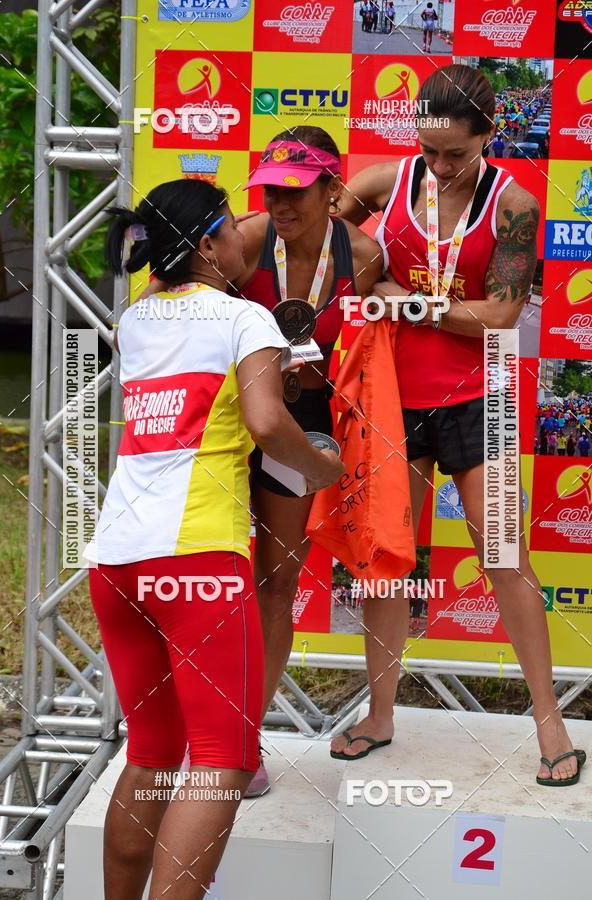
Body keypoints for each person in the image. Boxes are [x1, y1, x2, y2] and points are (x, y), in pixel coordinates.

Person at [86, 179, 344, 898]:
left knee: (153, 754)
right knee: (222, 758)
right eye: (233, 228)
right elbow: (264, 424)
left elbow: (217, 400)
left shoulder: (133, 319)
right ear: (206, 245)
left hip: (116, 564)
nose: (246, 238)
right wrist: (322, 464)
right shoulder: (247, 319)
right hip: (197, 556)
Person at [334, 63, 585, 785]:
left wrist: (397, 299)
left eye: (455, 154)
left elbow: (502, 318)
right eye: (429, 149)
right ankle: (381, 715)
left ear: (488, 137)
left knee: (505, 557)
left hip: (482, 398)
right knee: (388, 564)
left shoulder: (515, 206)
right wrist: (363, 275)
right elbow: (328, 239)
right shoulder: (386, 182)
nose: (439, 166)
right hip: (392, 397)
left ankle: (551, 728)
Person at [235, 126, 383, 796]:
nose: (280, 203)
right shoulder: (240, 239)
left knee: (275, 586)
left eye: (295, 190)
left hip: (305, 427)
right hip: (230, 424)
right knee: (207, 581)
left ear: (332, 191)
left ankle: (244, 742)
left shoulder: (363, 255)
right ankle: (180, 728)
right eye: (271, 188)